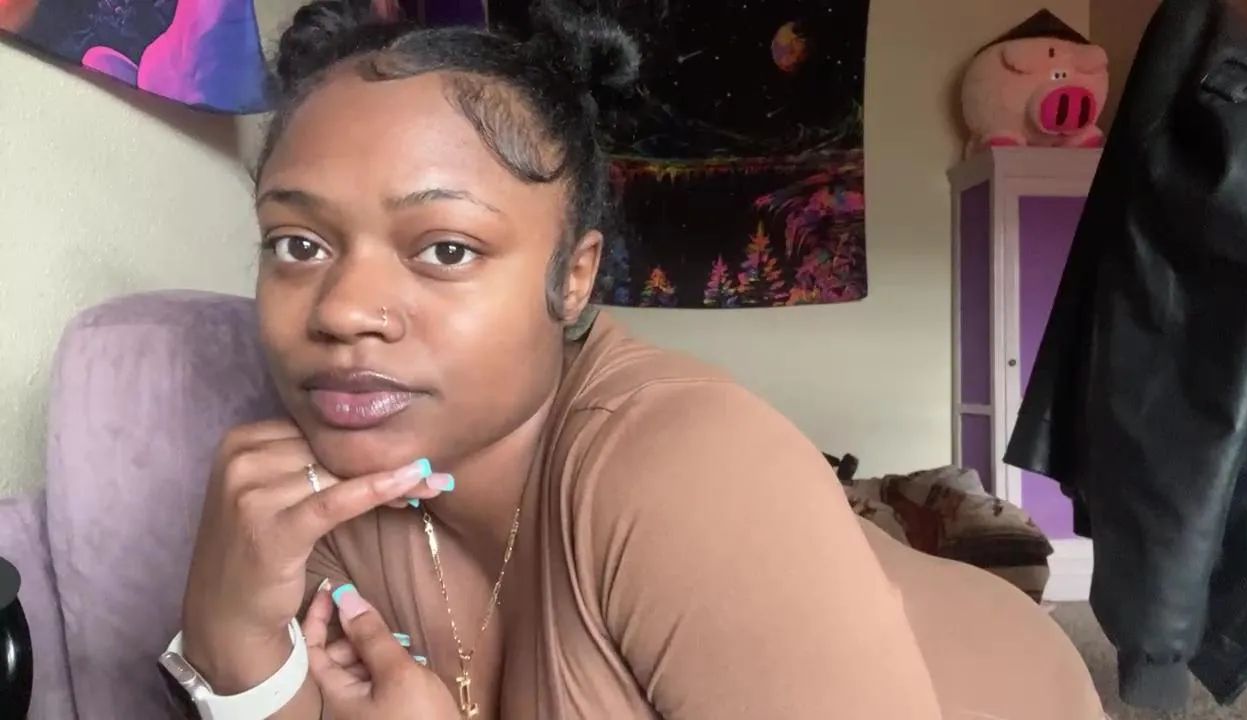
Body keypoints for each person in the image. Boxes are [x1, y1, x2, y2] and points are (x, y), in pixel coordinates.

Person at [170, 1, 1106, 718]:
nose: (341, 310)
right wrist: (232, 639)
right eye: (297, 244)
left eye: (446, 248)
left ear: (574, 276)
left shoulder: (685, 467)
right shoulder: (317, 499)